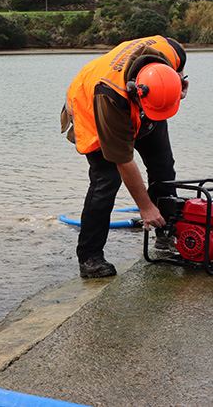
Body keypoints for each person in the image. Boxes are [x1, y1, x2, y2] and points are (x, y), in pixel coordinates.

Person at [61, 36, 188, 278]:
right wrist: (145, 207)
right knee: (106, 181)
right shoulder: (109, 97)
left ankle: (165, 235)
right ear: (136, 91)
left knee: (163, 168)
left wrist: (180, 81)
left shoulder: (172, 52)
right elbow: (124, 161)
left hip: (148, 106)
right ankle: (90, 258)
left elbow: (179, 65)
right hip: (93, 112)